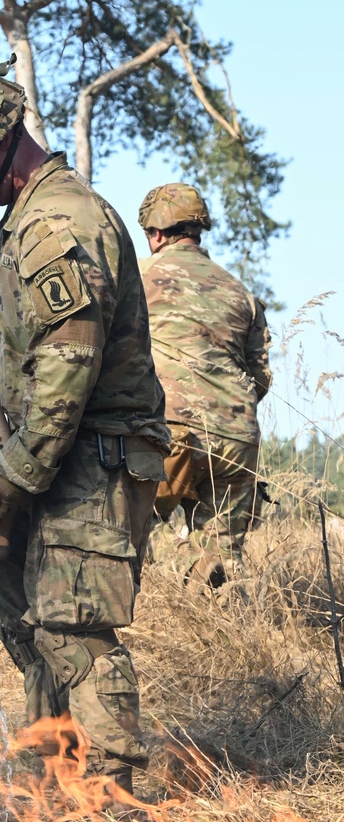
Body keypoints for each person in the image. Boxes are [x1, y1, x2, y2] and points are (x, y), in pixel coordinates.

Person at [0, 60, 170, 791]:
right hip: (56, 459)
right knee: (27, 622)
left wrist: (15, 474)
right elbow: (14, 357)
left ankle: (115, 809)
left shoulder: (55, 224)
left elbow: (66, 369)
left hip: (90, 462)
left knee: (73, 630)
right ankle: (58, 786)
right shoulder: (28, 222)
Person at [138, 182, 272, 586]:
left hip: (168, 431)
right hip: (236, 437)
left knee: (121, 536)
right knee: (221, 556)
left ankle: (144, 628)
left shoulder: (136, 277)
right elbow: (260, 377)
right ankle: (222, 633)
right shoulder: (241, 291)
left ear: (156, 233)